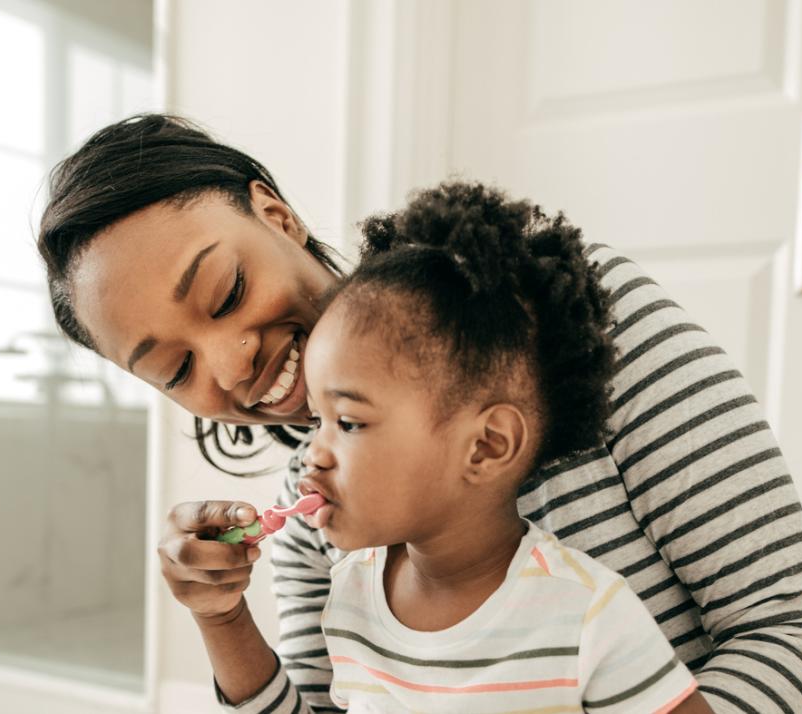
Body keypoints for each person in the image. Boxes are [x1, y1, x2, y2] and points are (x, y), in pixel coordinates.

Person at [37, 114, 802, 714]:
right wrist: (221, 620)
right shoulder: (321, 519)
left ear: (277, 217)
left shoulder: (570, 325)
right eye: (176, 369)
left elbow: (795, 634)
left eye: (227, 292)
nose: (229, 364)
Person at [267, 180, 708, 712]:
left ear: (486, 447)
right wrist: (220, 617)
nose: (313, 453)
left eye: (349, 422)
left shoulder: (586, 614)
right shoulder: (351, 595)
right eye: (317, 420)